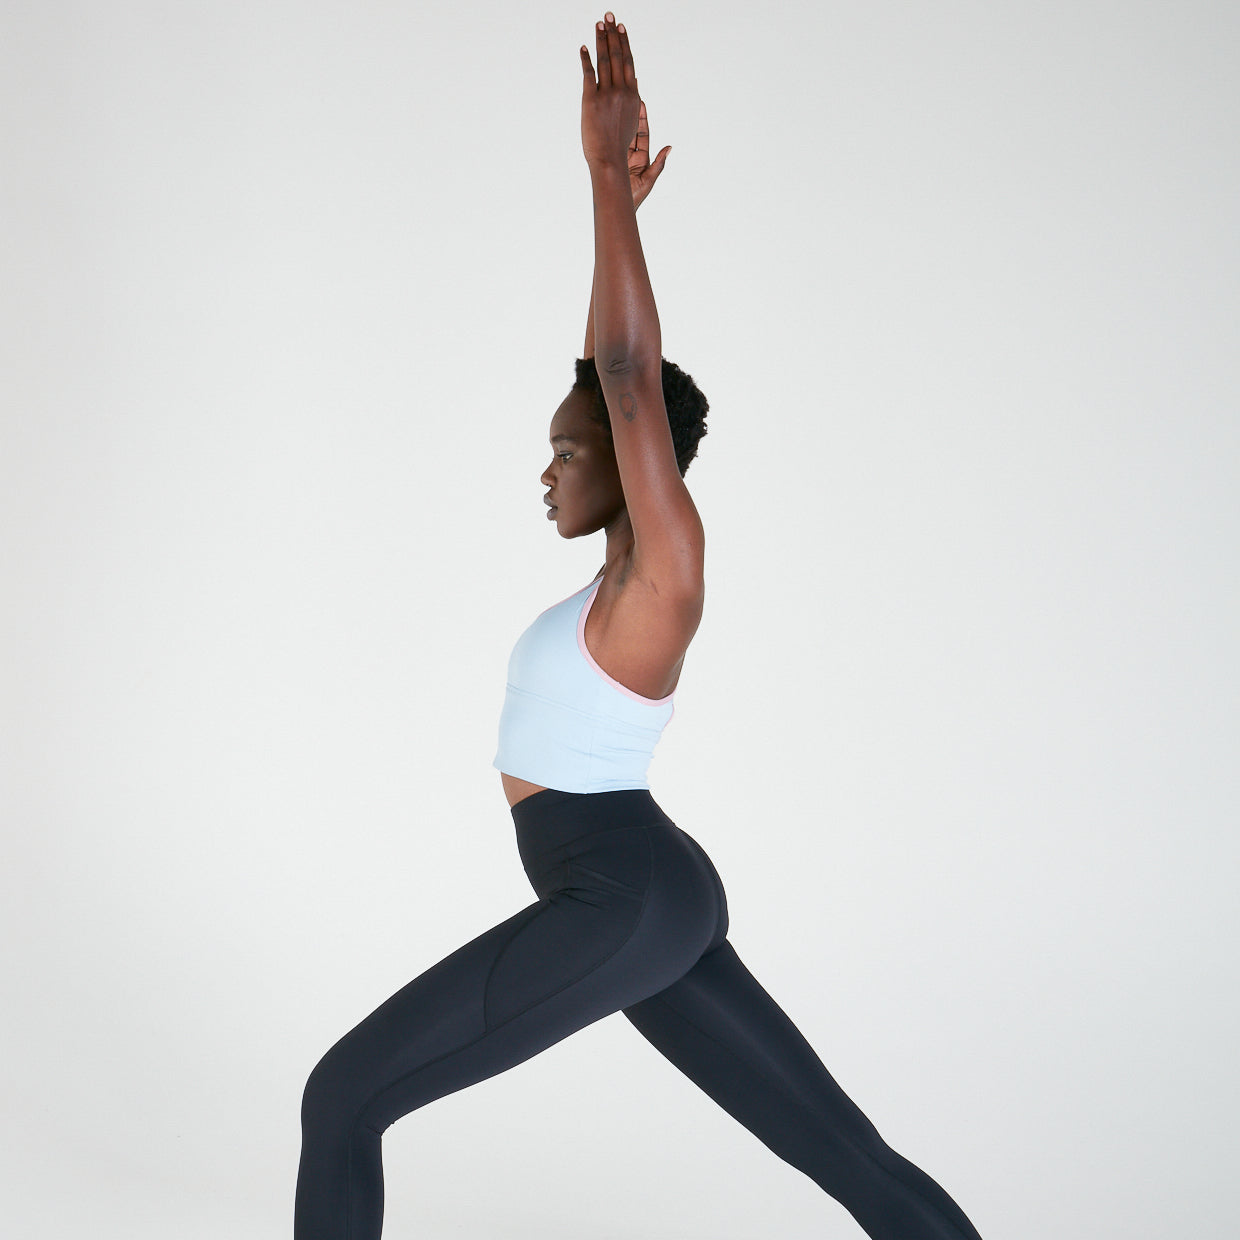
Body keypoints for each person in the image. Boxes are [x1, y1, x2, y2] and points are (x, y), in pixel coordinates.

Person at [294, 14, 985, 1239]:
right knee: (851, 1160)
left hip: (619, 895)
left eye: (571, 449)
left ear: (631, 451)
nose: (549, 470)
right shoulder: (605, 592)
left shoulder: (663, 570)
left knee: (343, 1098)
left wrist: (607, 193)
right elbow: (609, 378)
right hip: (643, 891)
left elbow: (625, 370)